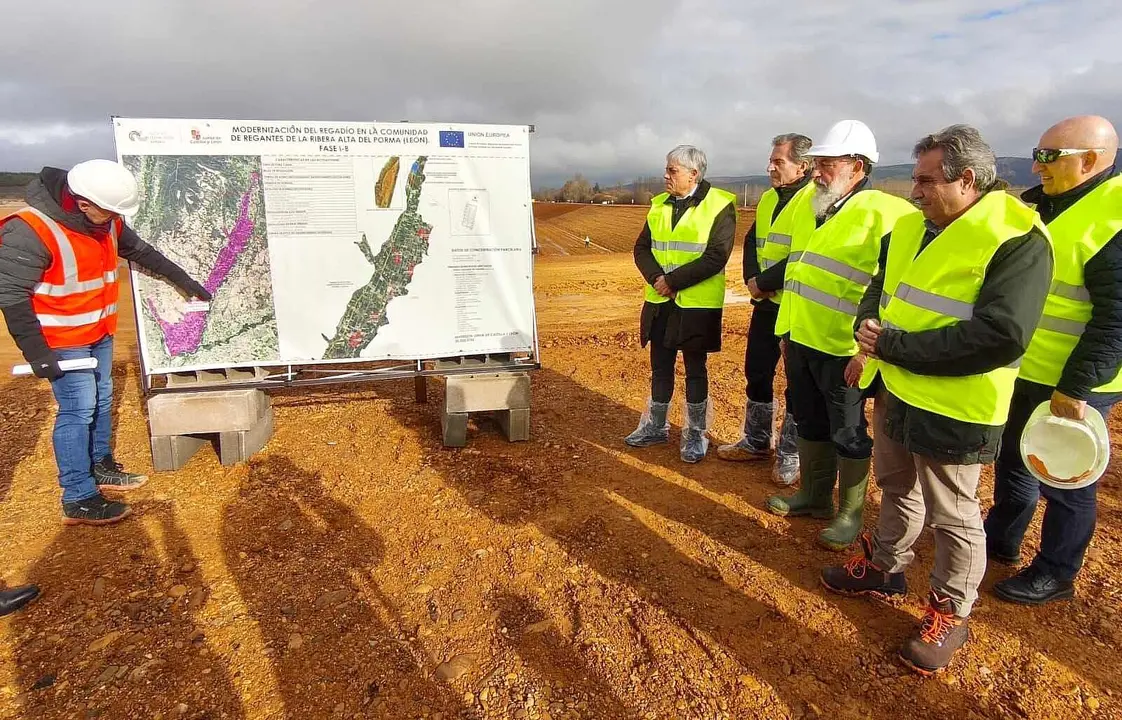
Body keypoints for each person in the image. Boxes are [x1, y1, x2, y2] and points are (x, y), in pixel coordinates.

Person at [820, 125, 1053, 676]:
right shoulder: (913, 227)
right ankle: (886, 568)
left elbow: (1003, 335)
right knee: (896, 486)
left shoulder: (1016, 238)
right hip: (899, 391)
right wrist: (868, 337)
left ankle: (951, 611)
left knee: (953, 514)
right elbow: (883, 292)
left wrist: (894, 346)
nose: (915, 190)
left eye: (926, 180)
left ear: (966, 179)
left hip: (959, 406)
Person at [0, 160, 211, 526]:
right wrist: (37, 353)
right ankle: (78, 495)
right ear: (83, 203)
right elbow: (10, 293)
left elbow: (142, 253)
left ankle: (100, 465)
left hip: (98, 334)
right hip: (62, 342)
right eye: (110, 211)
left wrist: (186, 281)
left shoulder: (105, 220)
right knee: (78, 410)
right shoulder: (30, 230)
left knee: (101, 399)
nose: (116, 219)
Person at [986, 115, 1122, 605]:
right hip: (1027, 368)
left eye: (1049, 156)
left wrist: (1077, 387)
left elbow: (1116, 318)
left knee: (1065, 476)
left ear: (1090, 160)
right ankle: (1000, 540)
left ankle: (1056, 571)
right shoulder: (1045, 205)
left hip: (1075, 378)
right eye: (1037, 154)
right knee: (1015, 460)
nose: (1037, 165)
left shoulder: (1114, 216)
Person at [765, 120, 915, 550]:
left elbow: (894, 289)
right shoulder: (818, 207)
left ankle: (850, 513)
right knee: (809, 419)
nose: (817, 172)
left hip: (844, 350)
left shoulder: (887, 213)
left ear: (859, 167)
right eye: (816, 163)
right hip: (802, 338)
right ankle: (814, 497)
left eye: (828, 163)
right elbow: (799, 271)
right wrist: (787, 331)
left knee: (848, 431)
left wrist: (867, 354)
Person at [625, 145, 737, 463]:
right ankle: (656, 427)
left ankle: (695, 434)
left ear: (694, 174)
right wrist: (658, 279)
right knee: (660, 368)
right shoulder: (659, 205)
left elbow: (716, 256)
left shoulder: (720, 205)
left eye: (672, 170)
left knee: (694, 370)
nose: (666, 175)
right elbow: (641, 248)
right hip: (661, 302)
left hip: (696, 305)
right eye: (667, 168)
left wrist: (672, 282)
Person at [717, 133, 815, 487]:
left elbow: (806, 254)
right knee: (757, 371)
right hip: (766, 303)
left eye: (779, 161)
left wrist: (765, 281)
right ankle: (757, 441)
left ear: (802, 166)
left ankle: (790, 452)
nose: (770, 167)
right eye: (771, 160)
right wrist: (752, 279)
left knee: (796, 382)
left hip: (797, 306)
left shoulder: (815, 201)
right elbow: (753, 241)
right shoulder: (769, 198)